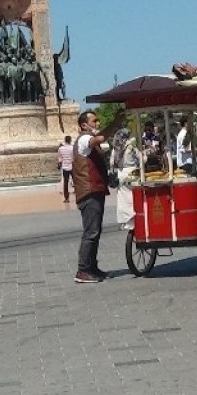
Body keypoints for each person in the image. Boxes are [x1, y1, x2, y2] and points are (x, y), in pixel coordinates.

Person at [72, 109, 125, 283]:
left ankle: (92, 268)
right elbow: (100, 138)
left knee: (95, 231)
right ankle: (83, 270)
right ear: (84, 125)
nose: (97, 123)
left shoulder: (88, 140)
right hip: (89, 191)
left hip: (94, 190)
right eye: (94, 121)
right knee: (91, 231)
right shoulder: (84, 139)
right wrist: (115, 122)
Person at [57, 136, 75, 202]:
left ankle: (66, 198)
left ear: (65, 140)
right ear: (70, 140)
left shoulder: (61, 149)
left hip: (65, 167)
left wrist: (59, 165)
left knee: (65, 183)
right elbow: (75, 157)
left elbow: (60, 159)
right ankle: (79, 195)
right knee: (76, 181)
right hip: (72, 166)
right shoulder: (72, 148)